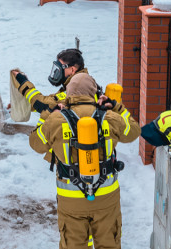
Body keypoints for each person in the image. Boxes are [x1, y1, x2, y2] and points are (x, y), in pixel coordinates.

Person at [29, 72, 141, 249]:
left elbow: (36, 143)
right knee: (109, 243)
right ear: (94, 94)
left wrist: (47, 116)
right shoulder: (109, 117)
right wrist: (117, 107)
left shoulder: (57, 120)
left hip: (70, 199)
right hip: (106, 197)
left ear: (69, 94)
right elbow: (133, 131)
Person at [12, 48, 96, 114]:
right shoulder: (81, 84)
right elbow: (50, 100)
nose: (56, 72)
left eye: (59, 69)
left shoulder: (76, 90)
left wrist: (23, 81)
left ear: (72, 70)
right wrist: (20, 106)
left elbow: (43, 104)